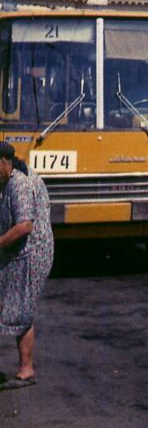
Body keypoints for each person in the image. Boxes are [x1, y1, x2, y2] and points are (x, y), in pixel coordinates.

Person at [0, 142, 54, 391]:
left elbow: (24, 226)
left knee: (21, 308)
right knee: (13, 306)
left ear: (3, 162)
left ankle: (26, 371)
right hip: (18, 251)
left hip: (30, 253)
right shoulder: (10, 176)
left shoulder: (19, 183)